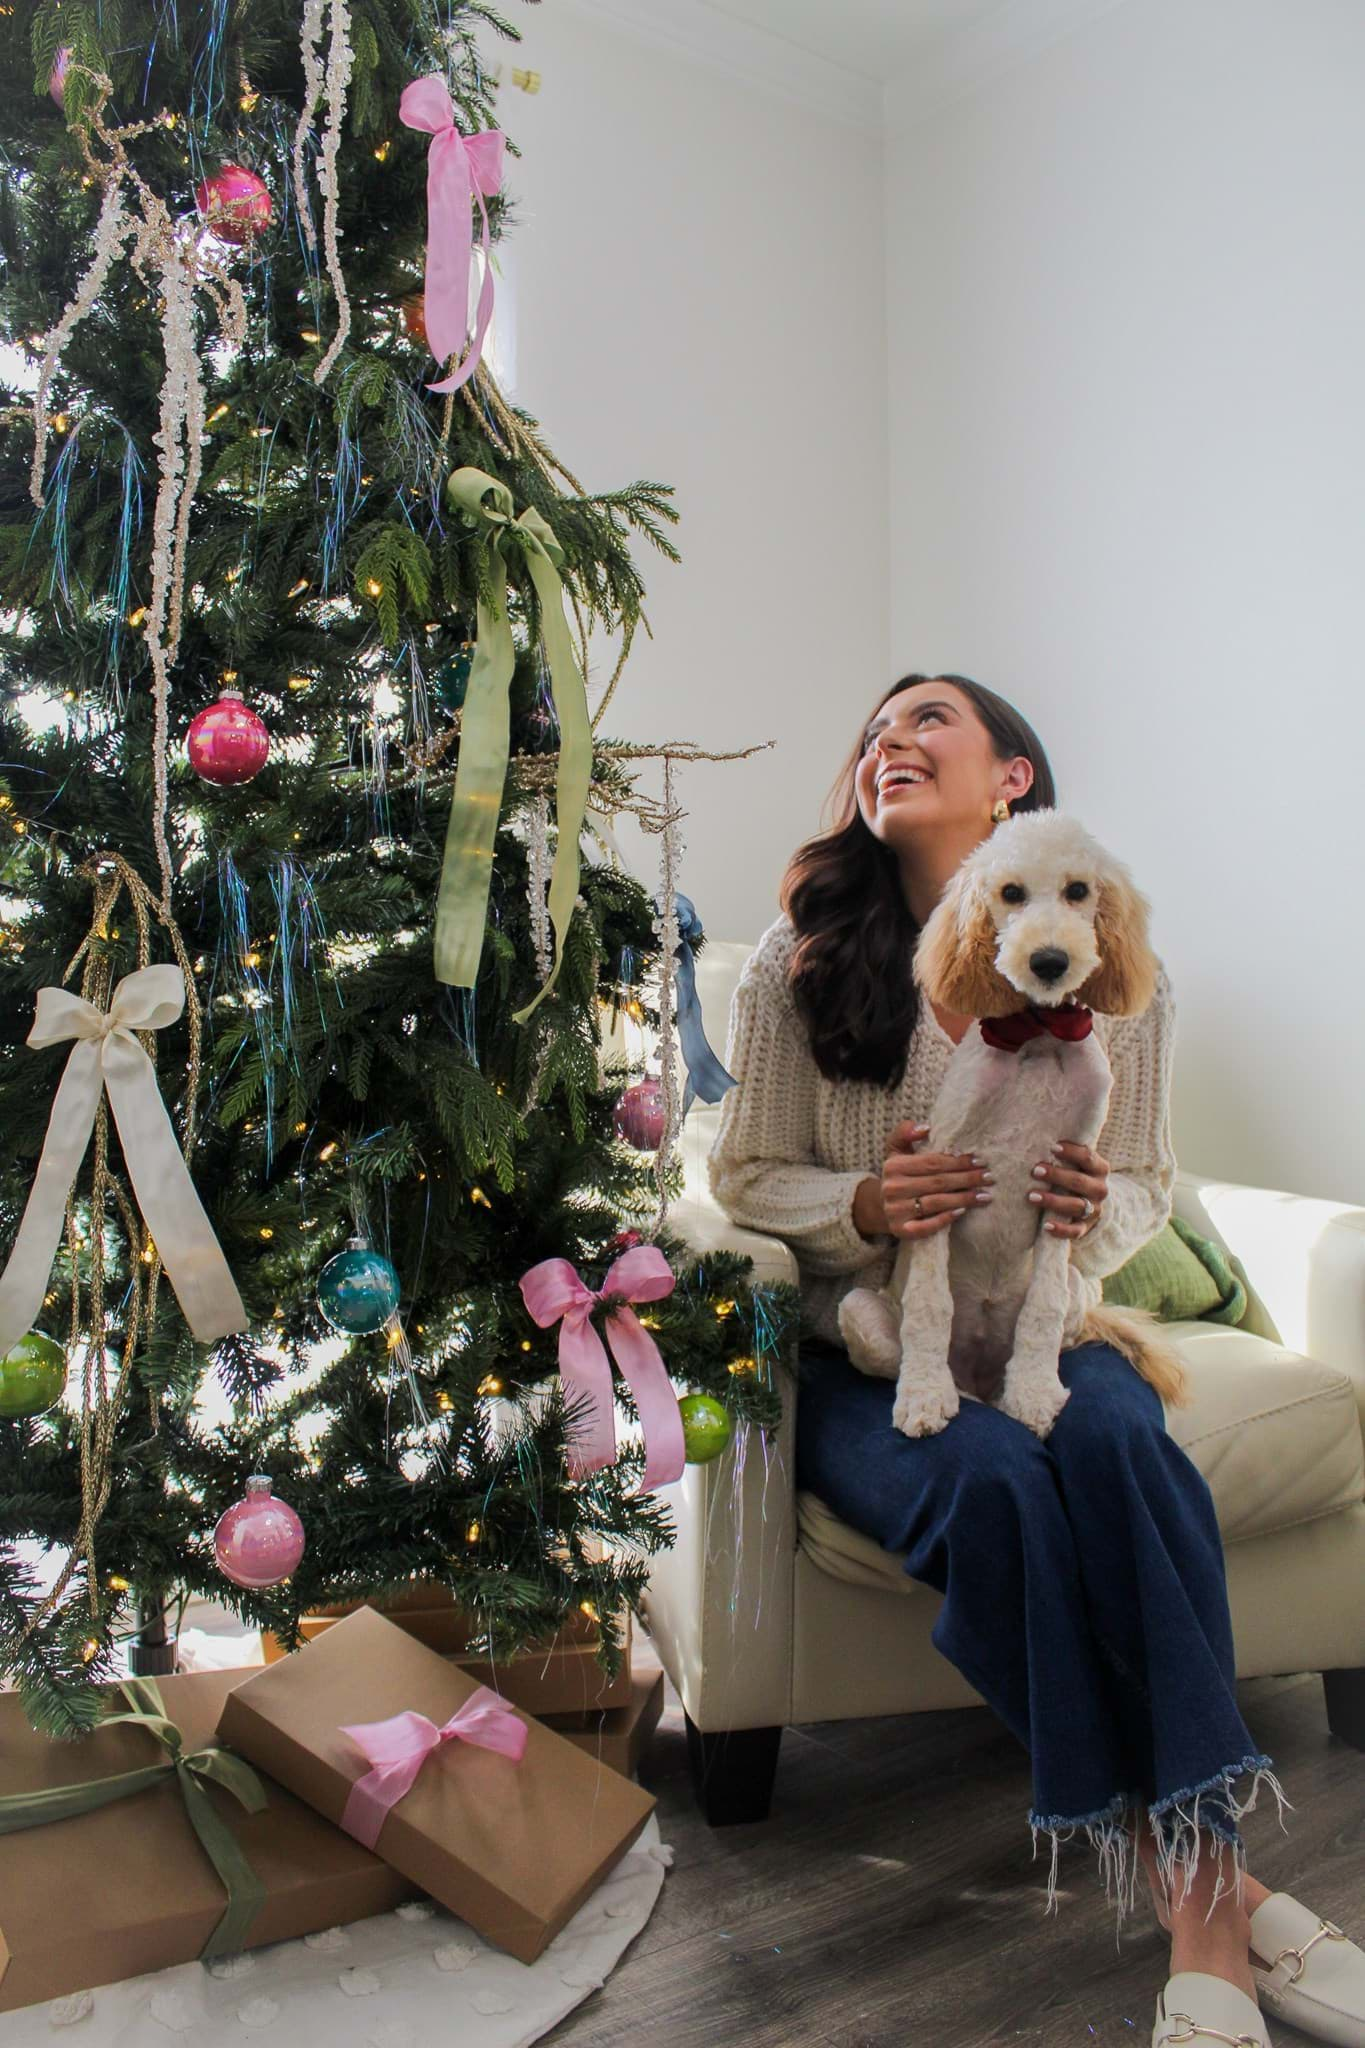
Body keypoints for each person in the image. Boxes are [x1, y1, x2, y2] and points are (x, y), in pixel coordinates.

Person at [707, 672, 1300, 2029]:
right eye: (873, 729)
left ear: (1012, 777)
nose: (887, 741)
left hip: (1043, 1318)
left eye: (928, 720)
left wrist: (1099, 1215)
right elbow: (743, 1176)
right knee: (989, 1480)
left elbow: (1146, 1175)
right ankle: (1201, 1881)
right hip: (869, 1348)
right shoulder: (793, 958)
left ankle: (1206, 1915)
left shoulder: (1112, 966)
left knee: (1111, 1437)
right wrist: (860, 1204)